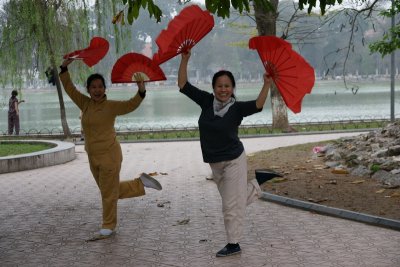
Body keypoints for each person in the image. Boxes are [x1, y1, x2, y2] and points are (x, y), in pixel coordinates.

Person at [178, 51, 273, 257]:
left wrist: (266, 83)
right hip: (214, 163)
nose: (223, 89)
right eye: (219, 86)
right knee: (235, 201)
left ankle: (233, 244)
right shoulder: (205, 101)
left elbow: (258, 104)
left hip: (234, 160)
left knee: (230, 205)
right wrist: (185, 59)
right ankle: (259, 182)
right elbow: (183, 85)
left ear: (232, 88)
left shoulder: (237, 108)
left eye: (227, 86)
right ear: (213, 88)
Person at [59, 58, 162, 240]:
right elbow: (70, 89)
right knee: (109, 190)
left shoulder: (111, 106)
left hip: (110, 155)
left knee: (107, 194)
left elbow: (130, 104)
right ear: (89, 90)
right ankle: (141, 183)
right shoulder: (85, 104)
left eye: (100, 86)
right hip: (92, 156)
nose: (97, 90)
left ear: (104, 89)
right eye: (93, 87)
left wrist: (141, 90)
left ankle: (108, 225)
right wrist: (64, 68)